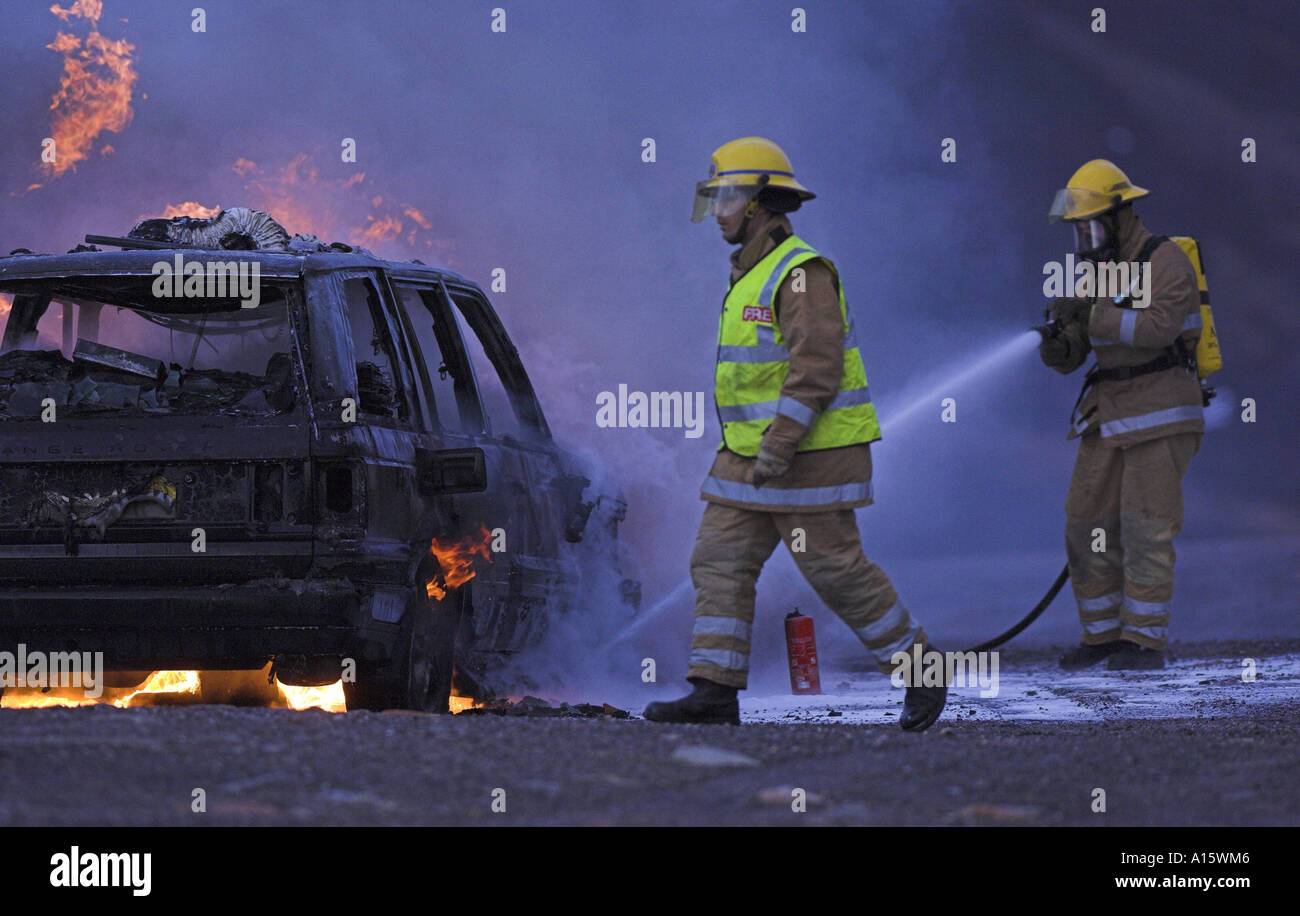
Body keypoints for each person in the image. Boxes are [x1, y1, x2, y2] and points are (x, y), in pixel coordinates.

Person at [643, 137, 946, 729]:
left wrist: (780, 443)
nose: (720, 212)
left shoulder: (801, 273)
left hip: (809, 458)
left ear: (761, 202)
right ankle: (714, 691)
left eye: (728, 196)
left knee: (836, 571)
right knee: (717, 561)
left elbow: (818, 368)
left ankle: (923, 672)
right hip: (748, 461)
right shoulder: (751, 272)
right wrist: (761, 448)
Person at [1040, 159, 1204, 670]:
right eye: (1078, 232)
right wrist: (1057, 341)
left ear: (1119, 216)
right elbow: (1075, 355)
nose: (1084, 241)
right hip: (1107, 412)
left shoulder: (1166, 261)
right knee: (1085, 521)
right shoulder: (1094, 272)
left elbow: (1155, 329)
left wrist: (1093, 313)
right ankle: (1103, 637)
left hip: (1160, 410)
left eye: (1090, 227)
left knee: (1145, 528)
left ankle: (1144, 642)